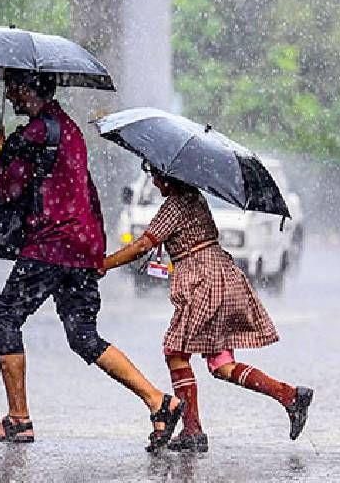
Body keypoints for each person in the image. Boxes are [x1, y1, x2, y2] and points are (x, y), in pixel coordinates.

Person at [0, 70, 185, 451]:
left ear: (26, 90)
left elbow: (10, 188)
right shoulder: (69, 131)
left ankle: (18, 420)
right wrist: (95, 248)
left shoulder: (32, 134)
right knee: (83, 335)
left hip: (50, 246)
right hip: (81, 247)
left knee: (5, 314)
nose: (9, 95)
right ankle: (158, 400)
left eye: (12, 88)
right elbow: (84, 187)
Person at [101, 165, 314, 452]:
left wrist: (104, 264)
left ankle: (192, 430)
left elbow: (142, 245)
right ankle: (290, 396)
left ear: (169, 176)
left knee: (175, 351)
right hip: (221, 275)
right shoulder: (195, 197)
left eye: (155, 175)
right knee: (221, 364)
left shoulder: (176, 204)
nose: (153, 180)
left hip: (203, 281)